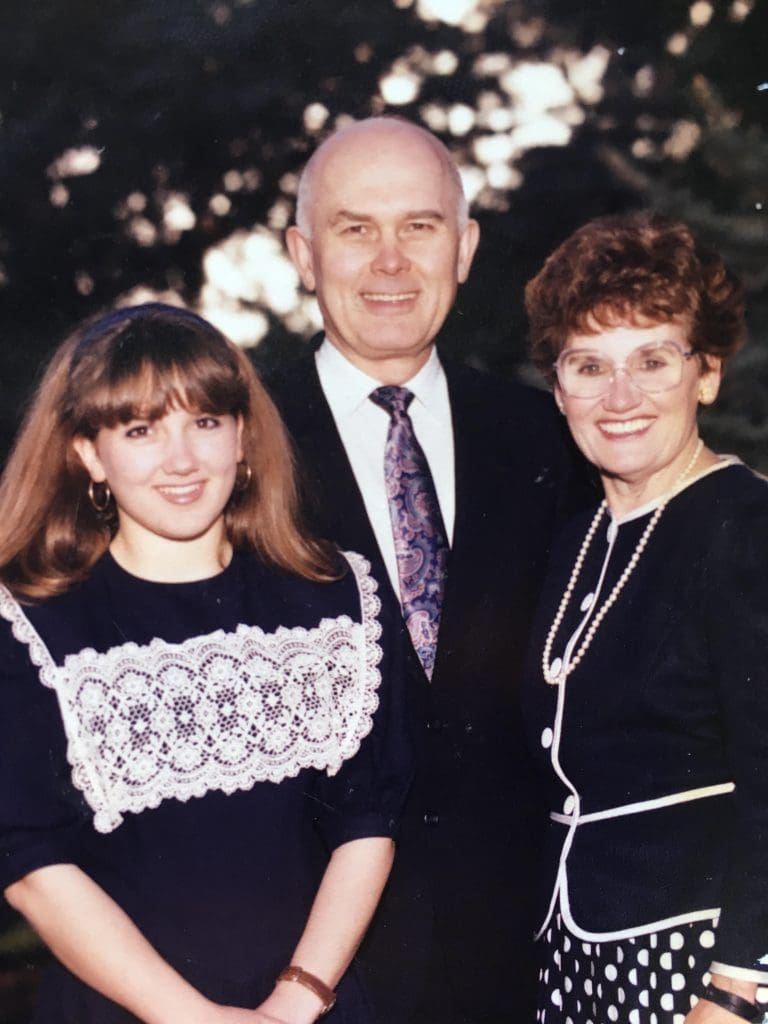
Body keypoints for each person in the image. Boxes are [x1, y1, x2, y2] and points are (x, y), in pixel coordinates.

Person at [0, 302, 412, 1024]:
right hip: (125, 1007)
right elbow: (32, 865)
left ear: (244, 437)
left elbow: (368, 821)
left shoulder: (335, 596)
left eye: (206, 423)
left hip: (313, 1003)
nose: (181, 460)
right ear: (89, 454)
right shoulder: (31, 621)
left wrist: (296, 999)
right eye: (140, 431)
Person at [266, 115, 592, 1024]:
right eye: (354, 228)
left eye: (419, 226)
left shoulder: (550, 439)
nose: (390, 260)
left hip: (527, 958)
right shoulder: (234, 447)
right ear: (302, 252)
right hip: (305, 972)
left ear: (465, 247)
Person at [522, 211, 768, 1024]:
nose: (619, 397)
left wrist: (737, 989)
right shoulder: (574, 543)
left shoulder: (744, 528)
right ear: (558, 389)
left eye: (653, 360)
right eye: (588, 365)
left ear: (707, 375)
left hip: (701, 970)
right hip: (581, 962)